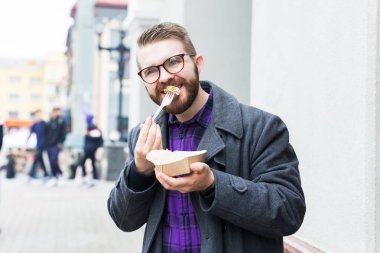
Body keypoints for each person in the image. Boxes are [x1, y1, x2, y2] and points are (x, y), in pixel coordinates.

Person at [107, 22, 306, 253]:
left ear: (197, 63)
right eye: (151, 71)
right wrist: (140, 171)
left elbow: (288, 212)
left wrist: (212, 184)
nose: (163, 77)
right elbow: (124, 220)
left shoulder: (261, 128)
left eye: (173, 62)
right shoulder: (143, 138)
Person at [78, 114, 103, 186]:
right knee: (92, 163)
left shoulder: (90, 127)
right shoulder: (95, 128)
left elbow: (97, 139)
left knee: (82, 163)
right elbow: (100, 140)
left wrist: (87, 133)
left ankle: (87, 177)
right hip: (92, 149)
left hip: (89, 149)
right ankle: (94, 178)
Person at [45, 107, 66, 185]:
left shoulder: (61, 121)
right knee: (50, 161)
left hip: (56, 145)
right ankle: (54, 176)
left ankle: (59, 175)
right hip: (48, 145)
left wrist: (60, 142)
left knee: (54, 160)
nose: (58, 113)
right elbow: (46, 133)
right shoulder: (49, 121)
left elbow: (63, 133)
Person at [27, 110, 49, 180]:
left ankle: (31, 174)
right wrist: (27, 142)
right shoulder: (35, 125)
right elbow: (30, 133)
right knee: (39, 158)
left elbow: (49, 133)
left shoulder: (44, 123)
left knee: (37, 158)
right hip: (38, 144)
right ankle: (46, 174)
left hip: (45, 144)